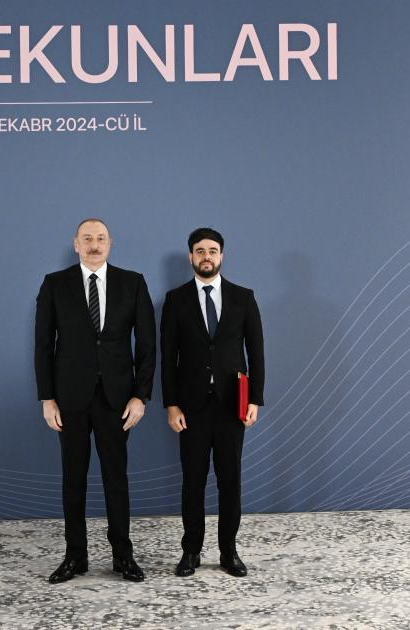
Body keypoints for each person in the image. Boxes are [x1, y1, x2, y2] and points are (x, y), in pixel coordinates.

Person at [35, 218, 156, 583]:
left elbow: (147, 347)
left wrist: (140, 396)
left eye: (100, 238)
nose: (94, 244)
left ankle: (123, 556)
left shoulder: (132, 283)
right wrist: (47, 398)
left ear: (110, 243)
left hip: (116, 400)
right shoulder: (55, 284)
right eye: (87, 238)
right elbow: (43, 346)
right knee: (73, 479)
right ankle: (75, 557)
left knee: (116, 478)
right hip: (69, 399)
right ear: (76, 244)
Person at [160, 227, 265, 577]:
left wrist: (255, 399)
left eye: (213, 251)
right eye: (200, 251)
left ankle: (228, 551)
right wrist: (171, 404)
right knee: (192, 481)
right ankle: (190, 551)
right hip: (191, 407)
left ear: (222, 256)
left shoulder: (243, 297)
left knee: (229, 481)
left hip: (232, 405)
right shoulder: (175, 300)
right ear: (191, 256)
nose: (207, 256)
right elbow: (167, 358)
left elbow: (256, 353)